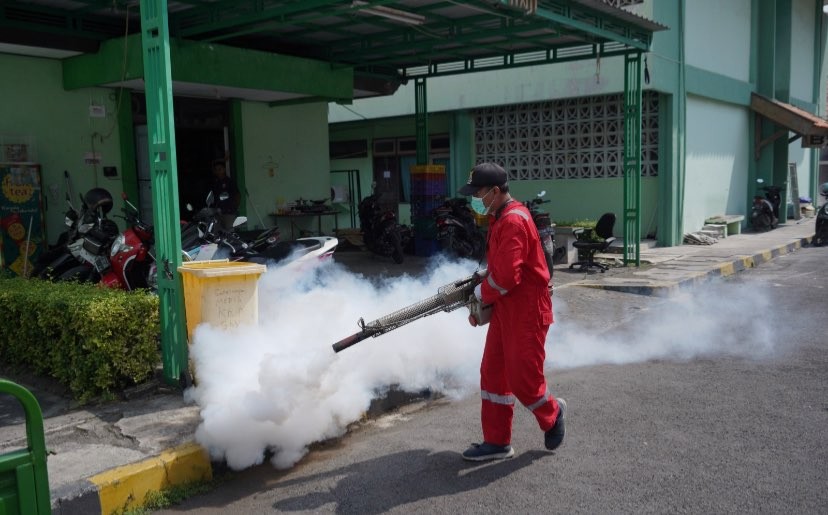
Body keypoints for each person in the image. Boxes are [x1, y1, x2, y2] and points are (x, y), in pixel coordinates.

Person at [458, 162, 565, 461]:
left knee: (523, 380)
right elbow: (502, 268)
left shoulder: (513, 220)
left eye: (477, 193)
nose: (474, 199)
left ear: (494, 191)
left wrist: (481, 292)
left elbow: (506, 277)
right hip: (508, 307)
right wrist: (482, 281)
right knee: (492, 373)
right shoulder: (498, 216)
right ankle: (497, 442)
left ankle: (553, 413)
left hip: (528, 310)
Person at [209, 159, 240, 230]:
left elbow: (237, 195)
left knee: (229, 233)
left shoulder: (230, 182)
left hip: (229, 212)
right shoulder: (215, 183)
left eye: (220, 169)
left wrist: (235, 208)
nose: (218, 171)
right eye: (216, 170)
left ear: (224, 169)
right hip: (217, 213)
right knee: (217, 234)